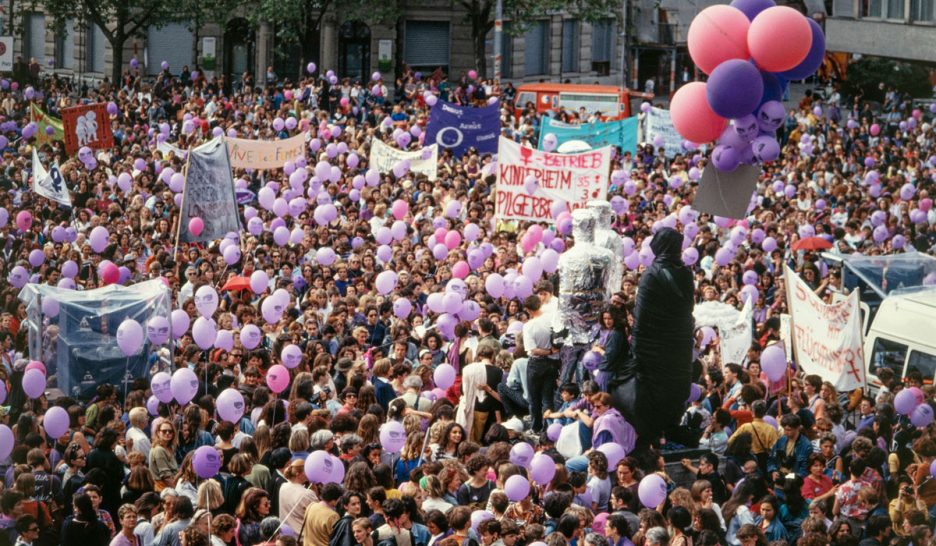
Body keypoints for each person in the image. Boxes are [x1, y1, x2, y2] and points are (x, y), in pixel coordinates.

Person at [612, 227, 695, 448]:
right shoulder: (686, 273)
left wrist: (637, 346)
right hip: (679, 346)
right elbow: (688, 307)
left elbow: (642, 315)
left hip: (652, 348)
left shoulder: (651, 274)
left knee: (650, 390)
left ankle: (649, 435)